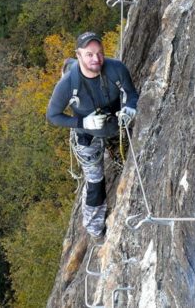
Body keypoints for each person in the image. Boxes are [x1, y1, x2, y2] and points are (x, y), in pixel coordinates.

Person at [46, 31, 139, 237]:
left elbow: (131, 93)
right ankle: (95, 229)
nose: (96, 59)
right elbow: (52, 116)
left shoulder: (116, 69)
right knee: (95, 182)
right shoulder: (68, 85)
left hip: (115, 125)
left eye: (99, 53)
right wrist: (82, 122)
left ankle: (116, 157)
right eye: (89, 54)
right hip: (86, 134)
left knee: (127, 161)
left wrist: (130, 108)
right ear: (78, 56)